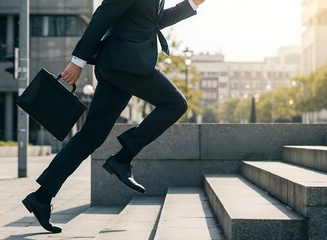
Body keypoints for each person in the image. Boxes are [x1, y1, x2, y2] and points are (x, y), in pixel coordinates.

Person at [22, 0, 205, 233]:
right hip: (125, 63)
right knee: (175, 103)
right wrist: (77, 61)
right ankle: (122, 158)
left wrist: (191, 4)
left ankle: (42, 196)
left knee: (90, 136)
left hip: (120, 64)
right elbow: (102, 15)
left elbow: (153, 22)